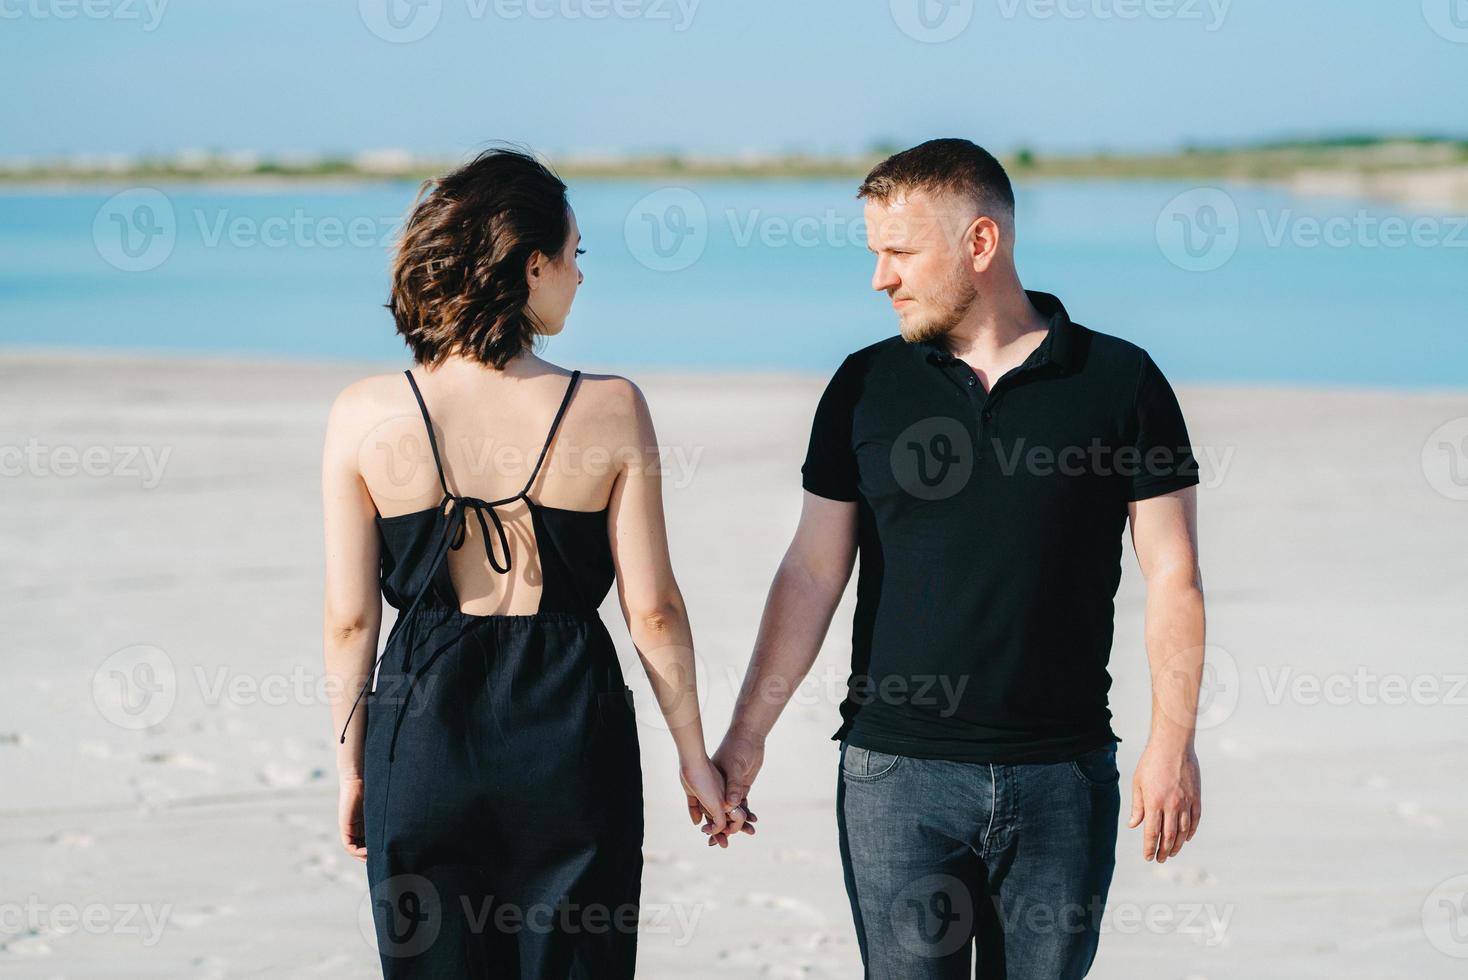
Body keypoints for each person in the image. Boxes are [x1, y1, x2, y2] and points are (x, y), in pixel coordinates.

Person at [710, 138, 1207, 979]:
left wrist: (1173, 742)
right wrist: (746, 735)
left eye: (899, 252)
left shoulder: (1120, 381)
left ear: (981, 244)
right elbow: (811, 572)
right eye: (875, 254)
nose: (880, 277)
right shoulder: (864, 387)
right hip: (897, 778)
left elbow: (1174, 574)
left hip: (1063, 775)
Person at [320, 147, 747, 977]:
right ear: (530, 263)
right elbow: (653, 609)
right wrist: (697, 759)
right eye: (576, 255)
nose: (580, 278)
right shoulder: (612, 406)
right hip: (571, 733)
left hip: (422, 732)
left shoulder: (362, 412)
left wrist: (354, 766)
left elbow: (349, 620)